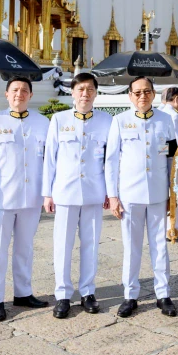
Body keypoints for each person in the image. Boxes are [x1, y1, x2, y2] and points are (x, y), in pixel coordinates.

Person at [0, 77, 51, 321]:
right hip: (1, 199)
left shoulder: (42, 123)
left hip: (31, 198)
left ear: (30, 95)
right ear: (7, 94)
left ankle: (23, 292)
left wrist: (48, 193)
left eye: (24, 90)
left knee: (25, 249)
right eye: (15, 90)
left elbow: (49, 162)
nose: (19, 94)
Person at [105, 76, 178, 318]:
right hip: (130, 194)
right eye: (137, 93)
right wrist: (113, 196)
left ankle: (163, 294)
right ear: (130, 96)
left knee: (160, 246)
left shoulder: (165, 120)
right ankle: (130, 295)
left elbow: (171, 159)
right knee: (132, 247)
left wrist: (172, 192)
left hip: (157, 192)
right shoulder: (120, 121)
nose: (142, 96)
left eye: (146, 91)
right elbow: (112, 161)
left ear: (154, 94)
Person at [43, 72, 111, 319]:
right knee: (62, 245)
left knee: (91, 244)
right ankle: (62, 294)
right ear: (72, 92)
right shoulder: (59, 120)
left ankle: (88, 291)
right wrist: (47, 193)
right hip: (65, 191)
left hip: (94, 192)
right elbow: (50, 159)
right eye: (80, 89)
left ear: (95, 92)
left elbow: (111, 161)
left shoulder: (106, 121)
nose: (85, 93)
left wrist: (110, 192)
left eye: (90, 89)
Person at [158, 86, 178, 242]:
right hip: (172, 161)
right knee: (173, 196)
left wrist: (160, 152)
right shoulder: (173, 116)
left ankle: (165, 229)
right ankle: (172, 230)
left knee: (163, 196)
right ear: (176, 98)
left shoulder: (159, 112)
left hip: (160, 160)